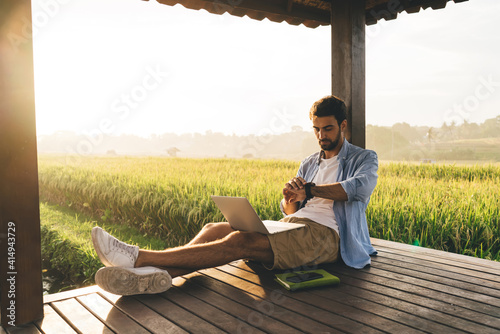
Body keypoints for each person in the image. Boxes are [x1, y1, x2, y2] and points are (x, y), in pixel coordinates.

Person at [91, 95, 378, 296]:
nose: (321, 135)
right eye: (316, 129)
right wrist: (291, 199)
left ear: (342, 126)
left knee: (241, 241)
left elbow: (357, 189)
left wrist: (311, 190)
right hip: (295, 225)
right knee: (213, 228)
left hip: (328, 237)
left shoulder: (363, 158)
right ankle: (158, 277)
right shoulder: (310, 162)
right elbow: (291, 211)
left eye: (327, 128)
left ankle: (138, 257)